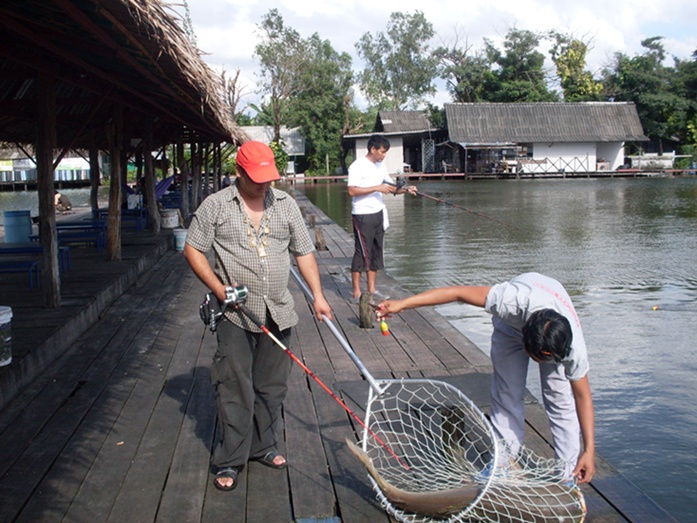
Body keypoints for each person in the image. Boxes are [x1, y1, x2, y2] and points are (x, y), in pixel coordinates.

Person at [183, 141, 333, 491]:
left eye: (269, 177)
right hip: (235, 314)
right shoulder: (216, 206)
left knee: (271, 387)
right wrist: (220, 291)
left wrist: (320, 296)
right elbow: (193, 248)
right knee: (234, 386)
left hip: (279, 310)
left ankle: (263, 445)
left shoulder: (286, 205)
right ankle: (231, 458)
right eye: (256, 178)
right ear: (238, 172)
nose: (264, 184)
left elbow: (304, 252)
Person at [376, 272, 595, 484]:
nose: (538, 364)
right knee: (507, 392)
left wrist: (589, 450)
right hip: (512, 325)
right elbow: (457, 293)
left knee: (559, 399)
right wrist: (402, 304)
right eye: (536, 358)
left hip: (552, 316)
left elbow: (582, 397)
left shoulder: (573, 348)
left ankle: (567, 472)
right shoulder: (508, 300)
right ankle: (504, 464)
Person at [347, 134, 416, 301]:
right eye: (382, 152)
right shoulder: (357, 166)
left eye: (385, 152)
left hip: (378, 213)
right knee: (362, 253)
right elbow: (352, 191)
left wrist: (406, 190)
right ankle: (356, 292)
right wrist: (376, 188)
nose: (384, 155)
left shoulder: (380, 166)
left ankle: (372, 289)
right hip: (362, 214)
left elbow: (390, 187)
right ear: (373, 149)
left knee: (376, 251)